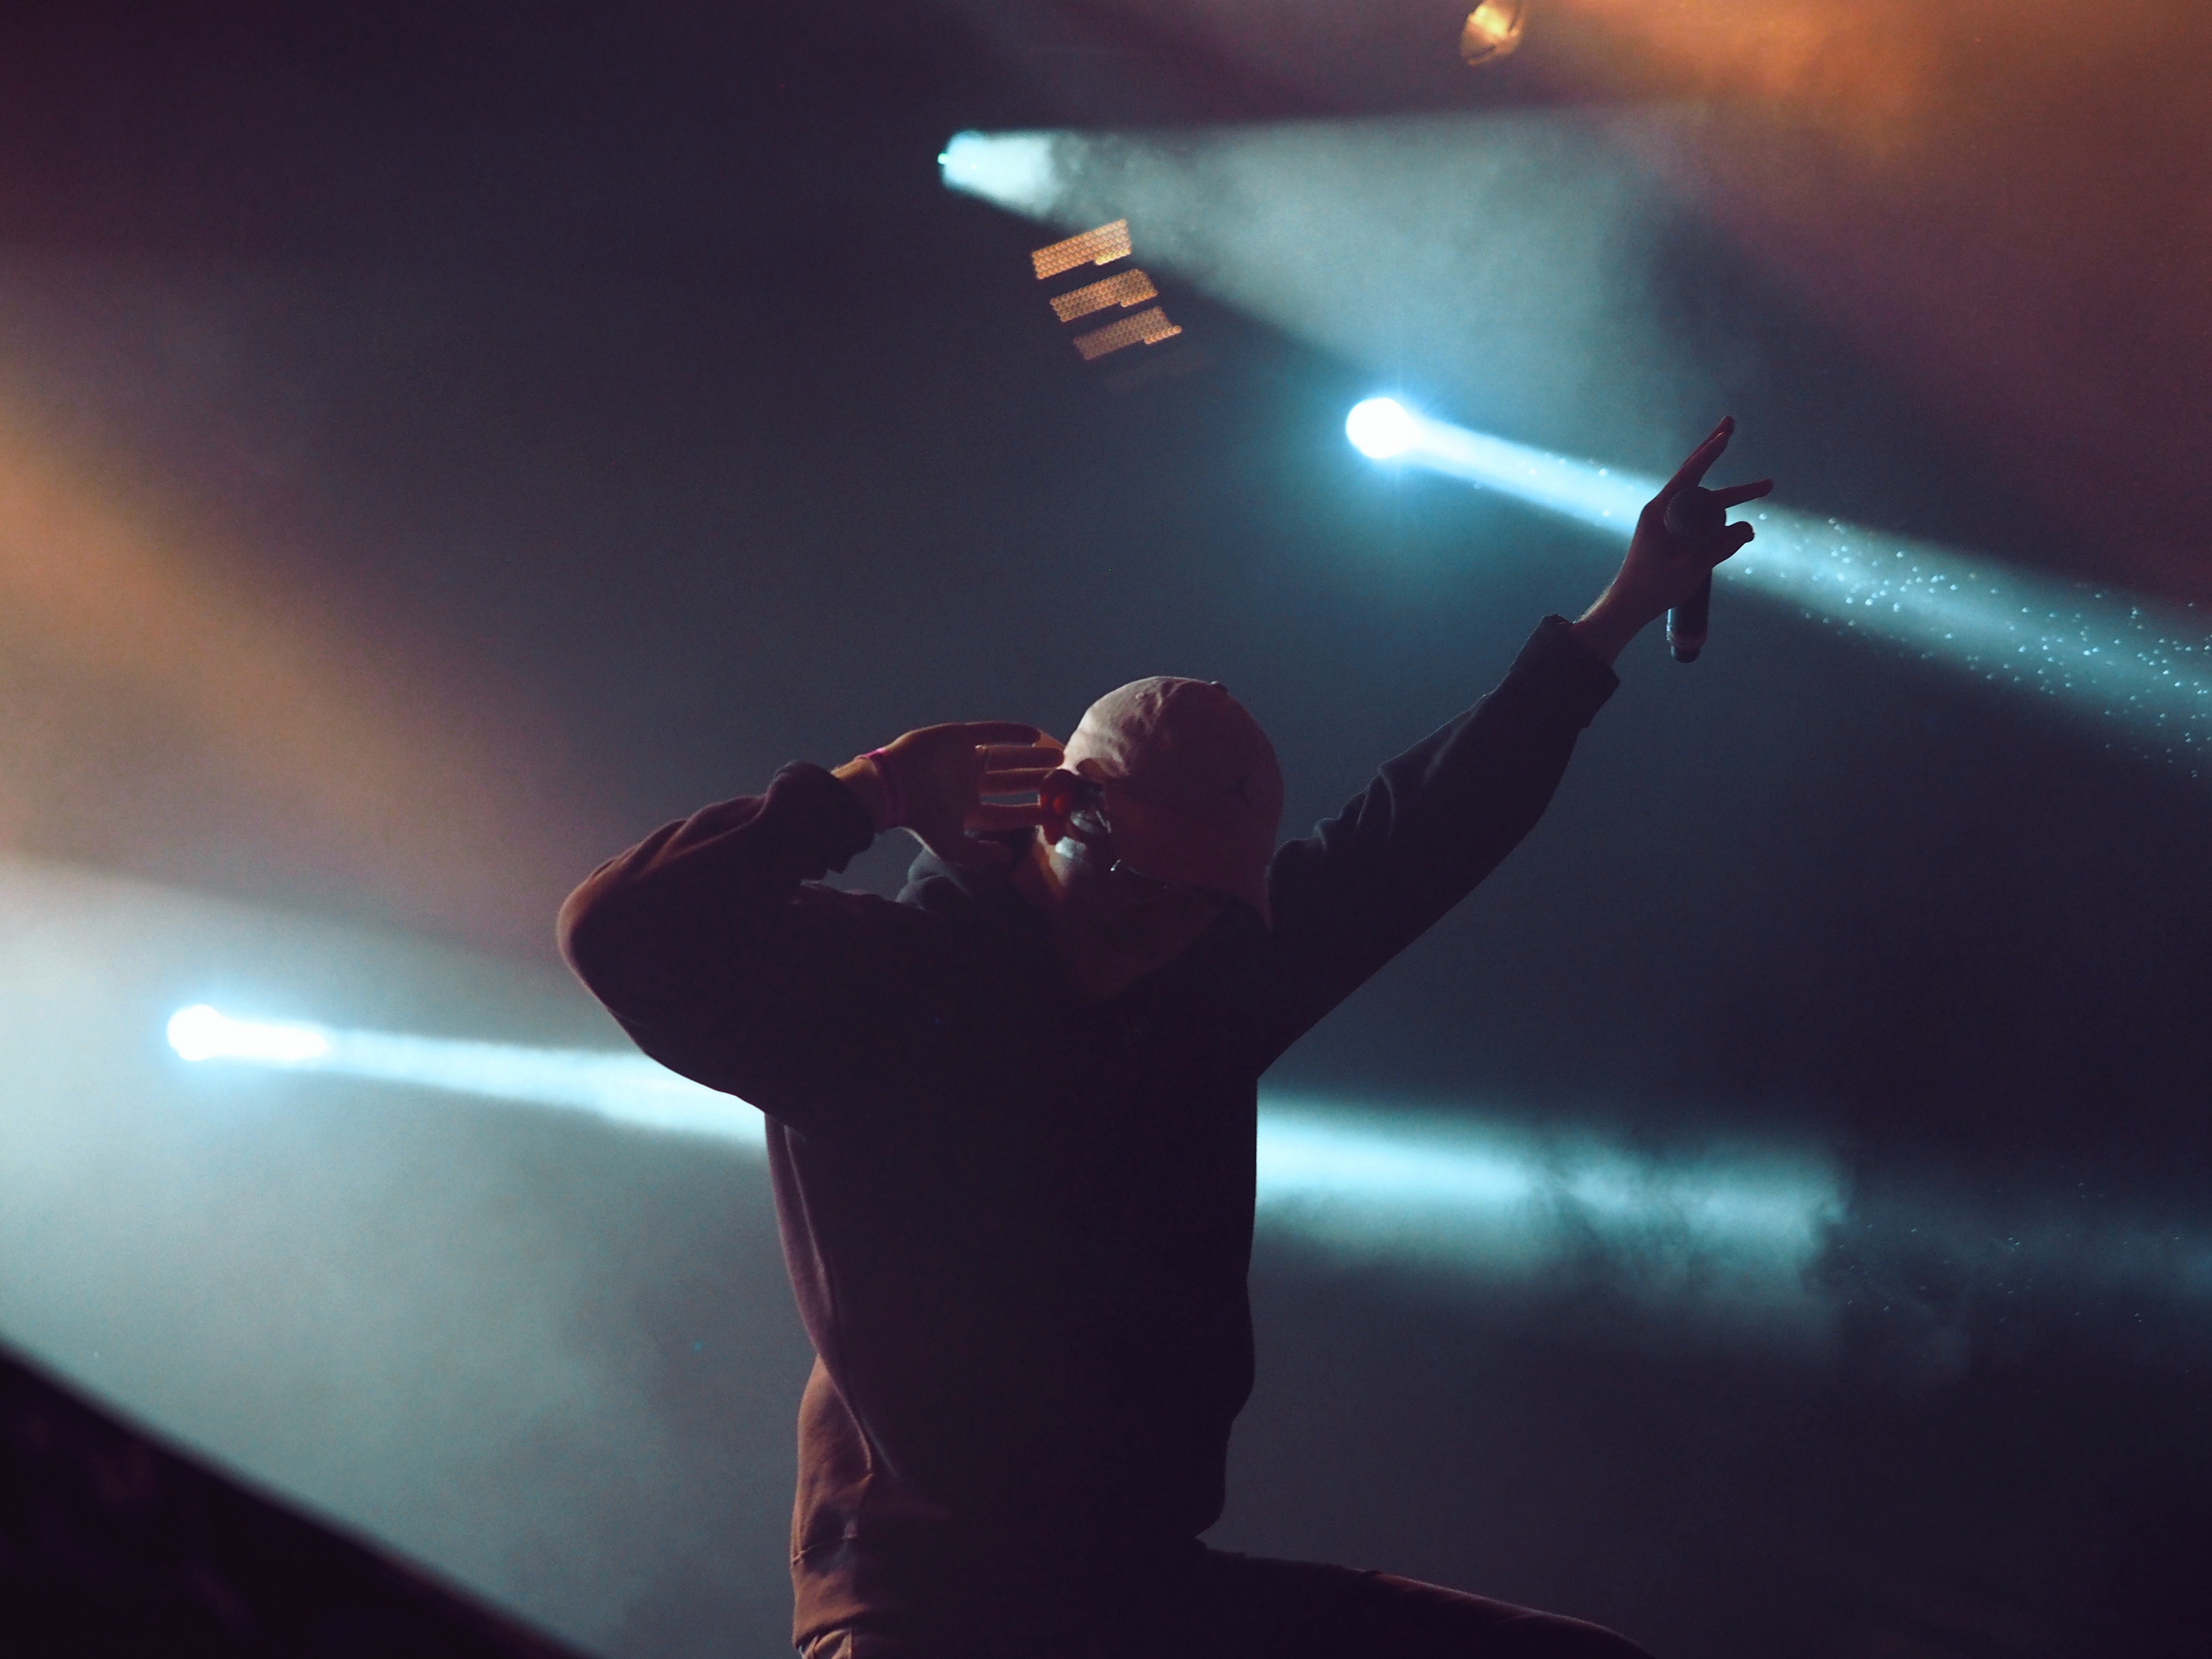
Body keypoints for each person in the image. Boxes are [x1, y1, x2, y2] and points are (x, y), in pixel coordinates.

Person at [559, 419, 1772, 1658]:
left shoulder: (1209, 982)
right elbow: (619, 931)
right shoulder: (882, 989)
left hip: (1136, 1594)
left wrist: (1623, 610)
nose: (1164, 925)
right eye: (1142, 882)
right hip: (927, 1616)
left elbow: (1421, 833)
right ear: (1057, 810)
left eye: (1203, 901)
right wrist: (865, 793)